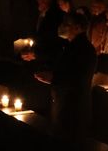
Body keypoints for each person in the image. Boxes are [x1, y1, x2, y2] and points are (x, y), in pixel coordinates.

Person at [34, 12, 97, 141]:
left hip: (73, 107)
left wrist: (53, 78)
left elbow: (77, 77)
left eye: (67, 24)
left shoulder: (83, 49)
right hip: (67, 104)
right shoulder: (71, 46)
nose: (62, 27)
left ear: (78, 28)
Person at [21, 0, 62, 67]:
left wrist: (36, 54)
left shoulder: (56, 17)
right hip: (42, 64)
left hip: (52, 67)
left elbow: (56, 46)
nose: (34, 2)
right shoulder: (41, 15)